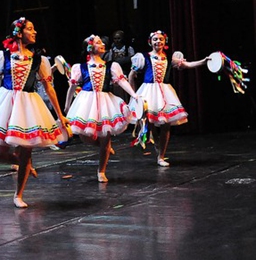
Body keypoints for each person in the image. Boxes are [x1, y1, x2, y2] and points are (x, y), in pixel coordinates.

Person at [0, 16, 70, 208]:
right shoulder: (2, 56)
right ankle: (22, 164)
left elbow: (49, 88)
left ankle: (18, 194)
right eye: (30, 28)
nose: (34, 32)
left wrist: (60, 115)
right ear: (18, 33)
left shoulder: (39, 59)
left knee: (26, 150)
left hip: (28, 104)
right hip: (7, 101)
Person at [64, 35, 141, 182]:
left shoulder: (111, 66)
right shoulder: (80, 67)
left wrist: (134, 95)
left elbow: (122, 81)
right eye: (98, 42)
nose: (102, 44)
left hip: (106, 101)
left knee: (105, 136)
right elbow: (72, 87)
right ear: (89, 48)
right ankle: (104, 147)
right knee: (84, 136)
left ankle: (101, 170)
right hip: (86, 102)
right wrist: (67, 106)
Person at [128, 30, 209, 167]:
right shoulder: (143, 57)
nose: (158, 41)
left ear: (165, 42)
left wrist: (204, 61)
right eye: (155, 39)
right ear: (150, 42)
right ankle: (157, 149)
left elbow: (187, 65)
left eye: (160, 39)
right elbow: (131, 75)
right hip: (148, 92)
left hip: (165, 93)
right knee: (151, 123)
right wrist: (133, 95)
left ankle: (161, 156)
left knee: (166, 125)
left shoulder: (170, 58)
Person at [103, 30, 137, 100]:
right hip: (116, 73)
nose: (117, 41)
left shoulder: (128, 48)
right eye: (115, 39)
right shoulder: (111, 50)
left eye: (119, 38)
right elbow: (109, 61)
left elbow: (133, 60)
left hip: (126, 71)